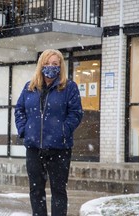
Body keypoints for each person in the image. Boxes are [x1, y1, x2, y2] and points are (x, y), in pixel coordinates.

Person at [14, 49, 83, 216]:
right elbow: (19, 110)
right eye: (47, 63)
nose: (50, 67)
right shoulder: (29, 87)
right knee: (36, 190)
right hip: (34, 148)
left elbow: (76, 113)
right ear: (41, 65)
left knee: (58, 191)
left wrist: (63, 131)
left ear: (60, 66)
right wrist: (24, 130)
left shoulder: (69, 87)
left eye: (54, 64)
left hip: (59, 148)